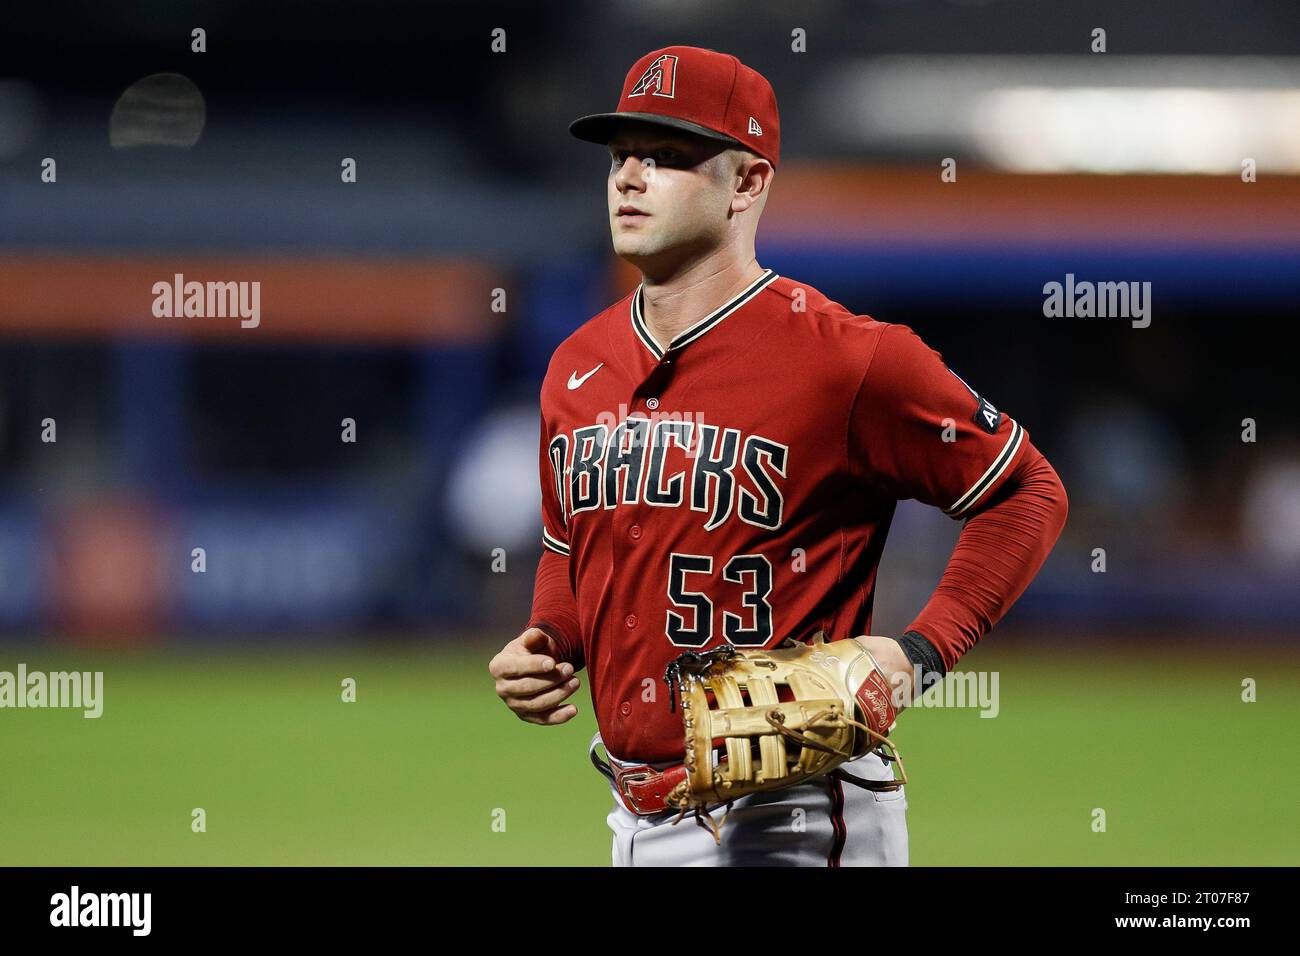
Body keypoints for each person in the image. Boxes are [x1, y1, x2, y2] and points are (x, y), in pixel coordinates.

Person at [489, 45, 1068, 866]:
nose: (629, 176)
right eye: (622, 156)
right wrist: (553, 635)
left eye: (668, 156)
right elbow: (566, 540)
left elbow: (1026, 492)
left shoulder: (848, 359)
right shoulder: (576, 366)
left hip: (792, 815)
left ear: (749, 183)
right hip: (631, 814)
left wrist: (920, 653)